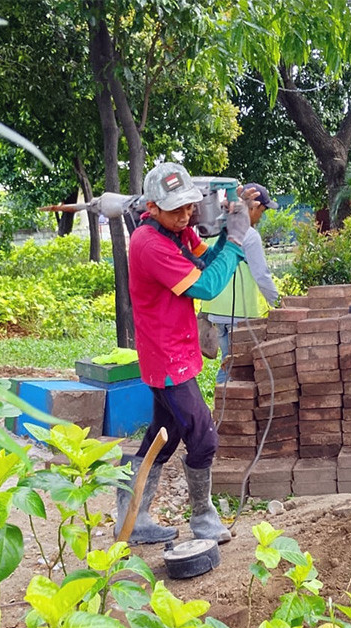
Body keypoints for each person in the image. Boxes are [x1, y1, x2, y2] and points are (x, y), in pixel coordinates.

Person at [114, 162, 257, 546]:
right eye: (175, 209)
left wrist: (230, 232)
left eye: (189, 207)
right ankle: (203, 519)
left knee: (165, 435)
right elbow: (209, 287)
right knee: (203, 435)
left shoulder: (178, 233)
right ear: (152, 207)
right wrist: (239, 242)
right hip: (166, 359)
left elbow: (206, 263)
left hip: (177, 352)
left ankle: (131, 517)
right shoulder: (149, 244)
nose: (185, 215)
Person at [204, 182, 282, 383]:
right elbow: (261, 275)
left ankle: (224, 406)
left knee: (228, 361)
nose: (260, 218)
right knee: (234, 368)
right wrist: (279, 304)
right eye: (261, 212)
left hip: (216, 311)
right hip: (238, 314)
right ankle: (223, 410)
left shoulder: (217, 228)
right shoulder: (250, 235)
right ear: (253, 206)